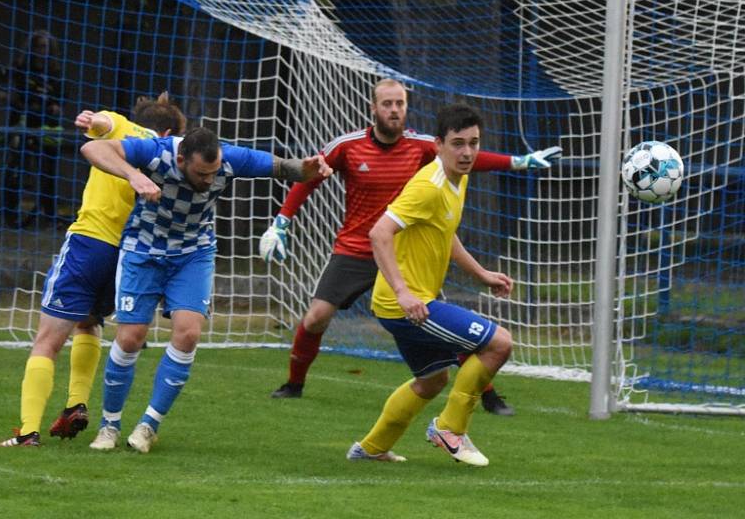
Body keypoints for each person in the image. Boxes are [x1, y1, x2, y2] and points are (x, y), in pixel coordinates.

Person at [261, 79, 559, 415]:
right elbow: (311, 174)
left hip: (404, 252)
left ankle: (489, 396)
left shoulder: (422, 146)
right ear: (373, 108)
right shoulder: (348, 145)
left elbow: (467, 154)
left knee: (442, 325)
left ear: (406, 107)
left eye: (399, 104)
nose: (393, 110)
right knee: (316, 318)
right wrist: (282, 221)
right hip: (357, 248)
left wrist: (518, 162)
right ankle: (294, 384)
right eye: (387, 104)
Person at [82, 126, 332, 453]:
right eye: (201, 174)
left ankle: (148, 425)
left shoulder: (229, 159)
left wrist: (305, 169)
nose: (208, 181)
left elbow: (282, 167)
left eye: (213, 174)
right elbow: (93, 149)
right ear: (182, 159)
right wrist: (133, 175)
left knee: (188, 335)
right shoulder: (157, 151)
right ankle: (109, 426)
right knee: (130, 338)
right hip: (143, 251)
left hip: (193, 254)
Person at [0, 93, 186, 447]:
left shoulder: (126, 128)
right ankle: (75, 405)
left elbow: (106, 123)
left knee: (47, 341)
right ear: (167, 130)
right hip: (127, 256)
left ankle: (27, 432)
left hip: (89, 243)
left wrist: (93, 121)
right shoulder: (169, 155)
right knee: (89, 322)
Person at [347, 103, 512, 466]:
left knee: (431, 380)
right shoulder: (429, 187)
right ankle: (450, 428)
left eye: (474, 143)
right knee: (499, 344)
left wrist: (481, 274)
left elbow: (445, 232)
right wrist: (404, 292)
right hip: (406, 303)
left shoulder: (458, 178)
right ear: (438, 144)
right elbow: (379, 234)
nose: (467, 152)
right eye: (458, 143)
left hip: (408, 302)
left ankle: (370, 449)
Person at [4, 29, 65, 228]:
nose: (43, 51)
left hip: (47, 126)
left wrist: (55, 106)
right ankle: (10, 216)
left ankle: (49, 215)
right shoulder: (21, 69)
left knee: (48, 172)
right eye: (39, 46)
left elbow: (62, 98)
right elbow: (14, 96)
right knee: (15, 169)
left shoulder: (55, 72)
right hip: (23, 124)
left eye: (46, 47)